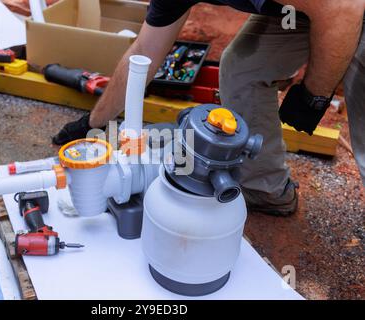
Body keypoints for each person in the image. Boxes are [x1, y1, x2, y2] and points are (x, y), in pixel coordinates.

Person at [52, 0, 365, 216]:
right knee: (243, 68)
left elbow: (344, 9)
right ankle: (266, 190)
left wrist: (316, 94)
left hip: (349, 10)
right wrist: (93, 122)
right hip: (306, 7)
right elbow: (145, 50)